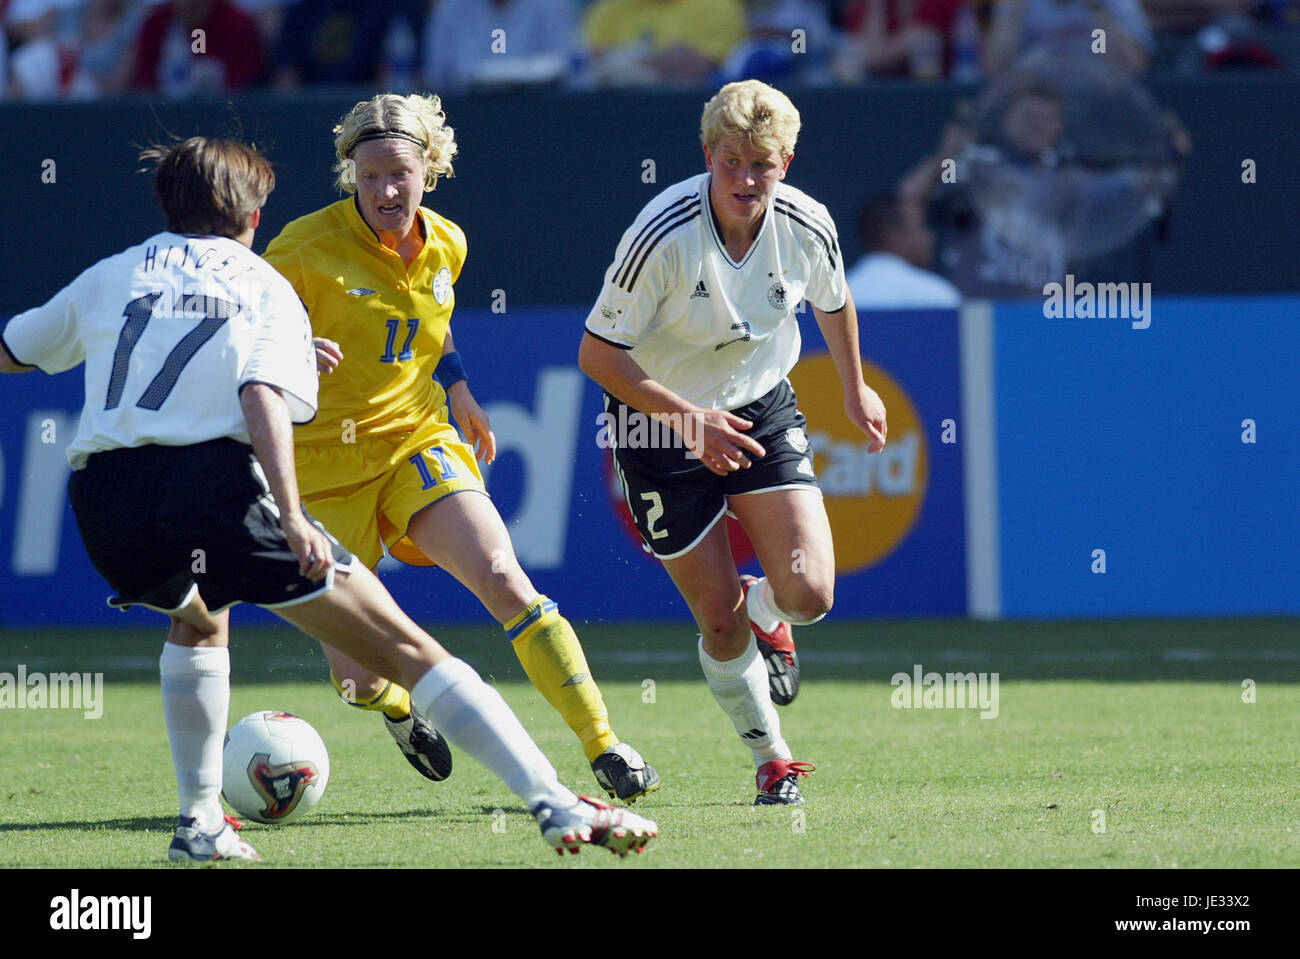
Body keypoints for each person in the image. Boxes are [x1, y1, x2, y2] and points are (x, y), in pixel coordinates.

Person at [0, 136, 657, 861]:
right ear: (252, 217)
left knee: (197, 621)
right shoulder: (264, 279)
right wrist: (288, 511)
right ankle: (555, 802)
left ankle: (199, 823)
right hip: (212, 490)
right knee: (408, 646)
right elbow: (260, 396)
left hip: (105, 501)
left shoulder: (110, 276)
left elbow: (16, 348)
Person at [261, 93, 660, 804]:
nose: (386, 189)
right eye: (370, 174)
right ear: (349, 172)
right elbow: (248, 344)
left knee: (506, 579)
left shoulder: (448, 241)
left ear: (429, 169)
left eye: (400, 173)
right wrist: (289, 351)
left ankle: (605, 743)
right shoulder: (298, 249)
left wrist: (460, 387)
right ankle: (395, 708)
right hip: (321, 470)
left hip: (415, 440)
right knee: (357, 676)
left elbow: (431, 321)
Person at [578, 80, 888, 805]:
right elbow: (597, 354)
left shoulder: (808, 224)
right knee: (716, 620)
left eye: (763, 163)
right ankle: (773, 759)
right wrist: (689, 421)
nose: (747, 179)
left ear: (787, 159)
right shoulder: (661, 233)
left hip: (759, 410)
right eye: (731, 162)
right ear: (707, 156)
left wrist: (854, 387)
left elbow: (833, 301)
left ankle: (769, 611)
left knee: (809, 593)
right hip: (656, 428)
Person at [846, 192, 961, 309]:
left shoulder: (833, 297)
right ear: (891, 235)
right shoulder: (936, 295)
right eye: (922, 228)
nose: (929, 237)